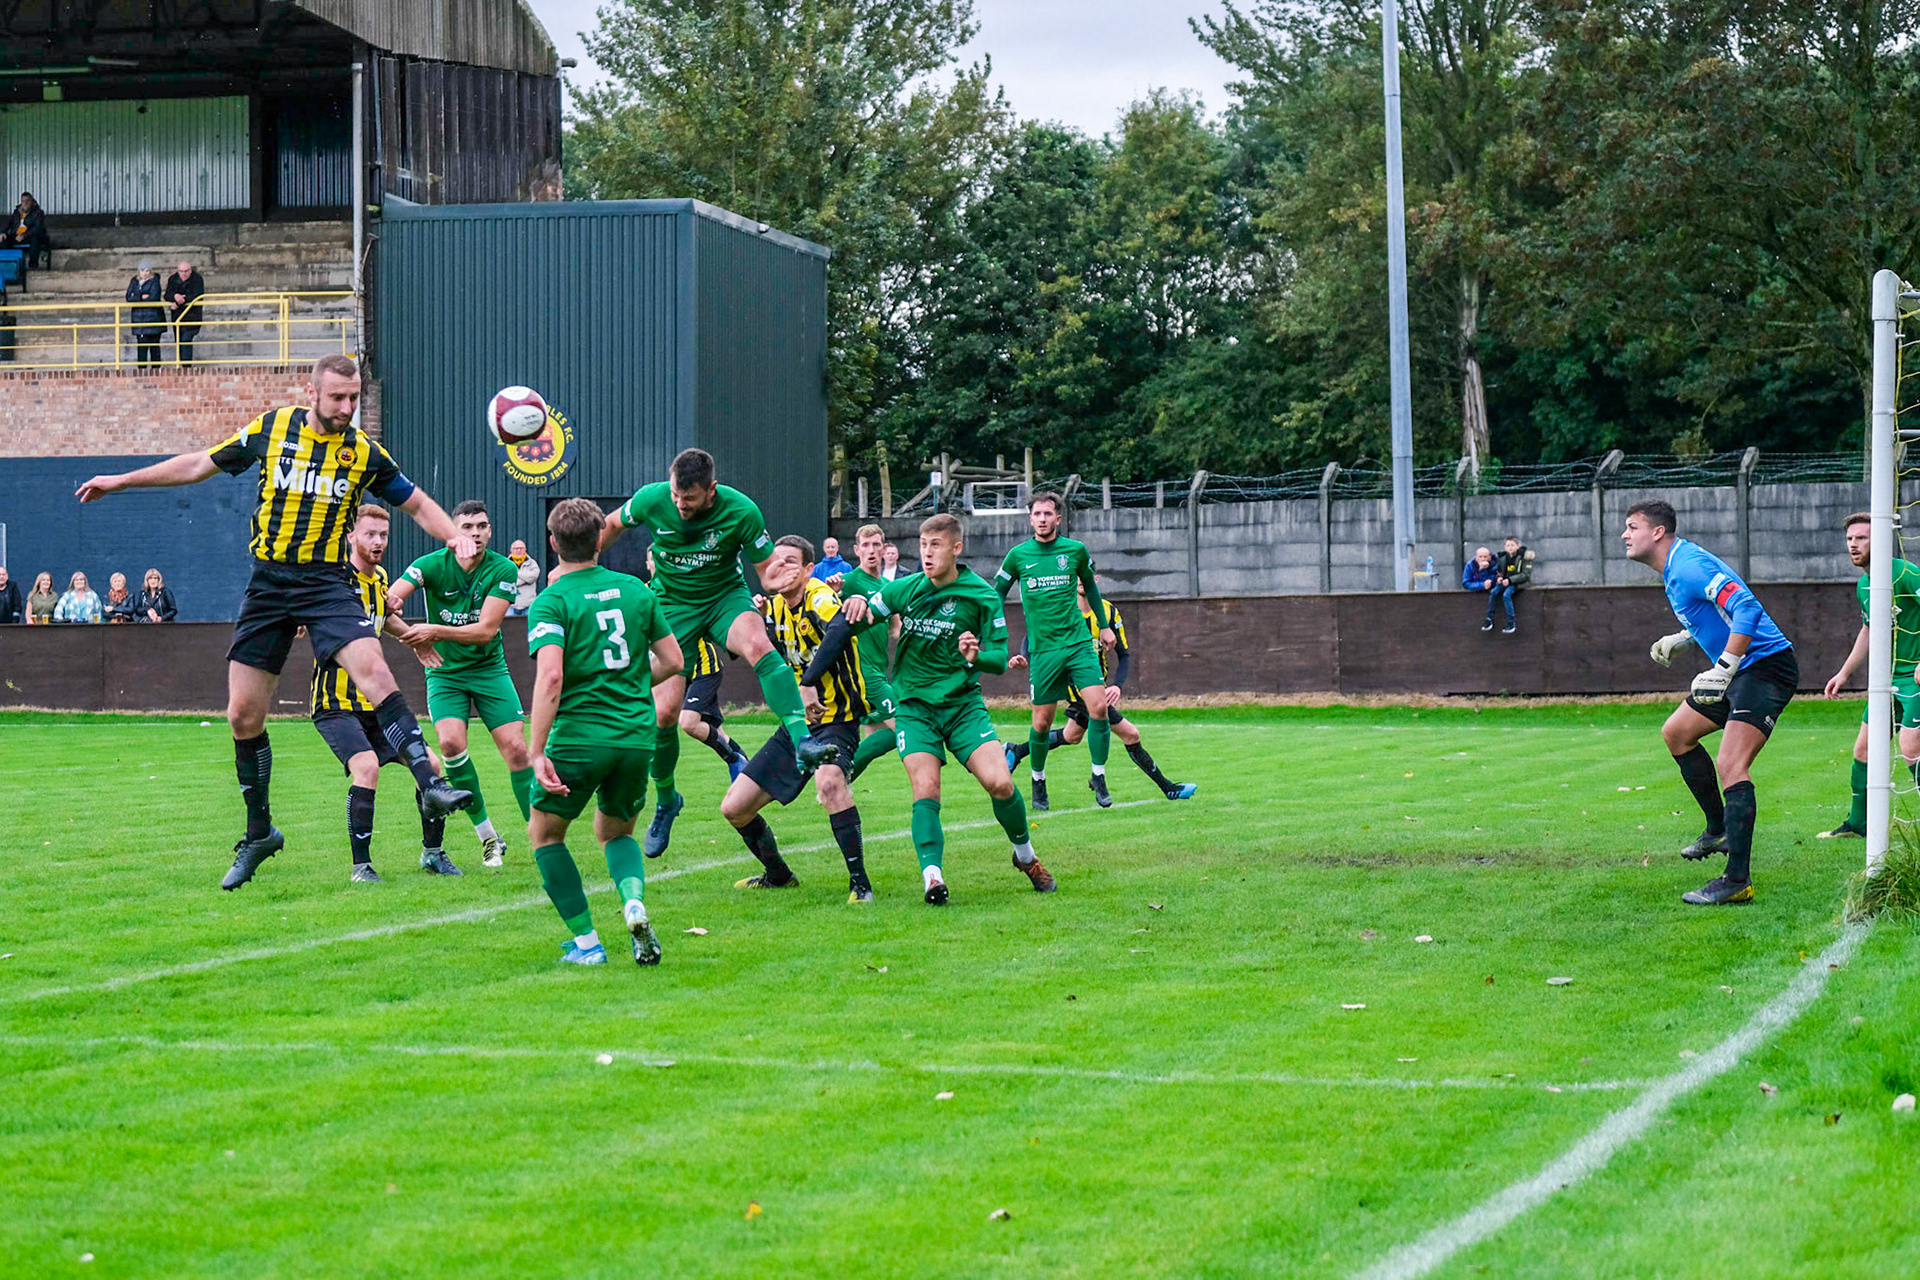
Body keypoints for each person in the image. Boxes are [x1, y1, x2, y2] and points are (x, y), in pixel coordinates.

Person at [75, 353, 474, 891]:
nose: (346, 408)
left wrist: (452, 535)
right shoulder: (273, 428)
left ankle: (429, 783)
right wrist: (121, 481)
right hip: (269, 584)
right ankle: (259, 831)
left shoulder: (363, 453)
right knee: (242, 715)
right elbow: (197, 464)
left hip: (327, 584)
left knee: (374, 670)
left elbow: (416, 502)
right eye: (337, 398)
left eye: (353, 398)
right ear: (312, 392)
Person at [597, 447, 839, 860]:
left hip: (725, 598)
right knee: (664, 715)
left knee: (759, 644)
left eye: (688, 499)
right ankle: (668, 799)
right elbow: (612, 524)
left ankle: (802, 741)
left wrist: (777, 580)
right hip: (672, 606)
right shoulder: (652, 498)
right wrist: (582, 561)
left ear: (711, 490)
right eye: (675, 496)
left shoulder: (742, 510)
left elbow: (764, 574)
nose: (679, 504)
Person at [834, 513, 1055, 904]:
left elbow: (1000, 658)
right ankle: (932, 878)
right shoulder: (905, 589)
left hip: (963, 707)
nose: (927, 553)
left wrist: (974, 657)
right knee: (926, 788)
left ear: (956, 548)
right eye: (922, 545)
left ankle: (1025, 857)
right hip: (915, 708)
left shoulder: (982, 596)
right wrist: (852, 602)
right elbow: (866, 612)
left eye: (935, 545)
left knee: (1000, 783)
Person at [526, 497, 684, 966]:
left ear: (553, 544)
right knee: (616, 834)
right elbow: (674, 661)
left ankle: (588, 944)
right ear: (599, 540)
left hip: (580, 737)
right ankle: (633, 903)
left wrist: (536, 750)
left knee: (546, 836)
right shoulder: (637, 590)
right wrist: (636, 681)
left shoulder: (551, 601)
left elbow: (550, 678)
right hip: (636, 738)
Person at [1631, 499, 1796, 906]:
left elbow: (1746, 608)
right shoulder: (1676, 566)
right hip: (1739, 671)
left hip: (1765, 669)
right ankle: (1718, 830)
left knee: (1731, 764)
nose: (1624, 534)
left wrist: (1724, 665)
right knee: (1677, 734)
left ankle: (1737, 880)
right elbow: (1718, 613)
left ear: (1657, 532)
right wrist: (1684, 638)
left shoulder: (1687, 566)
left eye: (1632, 526)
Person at [719, 536, 875, 900]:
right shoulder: (771, 606)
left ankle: (861, 885)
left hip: (836, 718)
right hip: (796, 727)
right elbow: (733, 652)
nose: (783, 569)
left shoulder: (818, 595)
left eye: (793, 562)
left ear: (809, 570)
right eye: (778, 562)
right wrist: (753, 621)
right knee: (734, 808)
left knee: (830, 784)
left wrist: (806, 683)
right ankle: (778, 875)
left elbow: (838, 629)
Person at [309, 504, 460, 881]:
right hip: (335, 703)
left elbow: (381, 617)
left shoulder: (378, 581)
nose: (378, 542)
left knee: (431, 764)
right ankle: (361, 867)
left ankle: (433, 854)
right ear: (351, 536)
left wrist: (414, 640)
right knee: (367, 766)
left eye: (383, 535)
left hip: (376, 705)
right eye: (370, 534)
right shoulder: (332, 581)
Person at [388, 499, 535, 870]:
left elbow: (486, 631)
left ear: (489, 531)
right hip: (445, 674)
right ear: (452, 532)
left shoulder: (503, 568)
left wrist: (433, 631)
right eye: (466, 527)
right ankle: (489, 837)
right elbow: (388, 600)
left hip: (489, 670)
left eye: (481, 526)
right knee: (451, 744)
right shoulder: (429, 565)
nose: (475, 534)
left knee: (518, 750)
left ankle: (541, 836)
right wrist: (410, 632)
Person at [1007, 581, 1198, 802]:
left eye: (1083, 575)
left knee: (1071, 736)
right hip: (1077, 687)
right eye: (1075, 575)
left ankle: (1016, 751)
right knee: (1131, 734)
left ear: (1093, 579)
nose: (1079, 580)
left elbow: (1124, 655)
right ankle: (1168, 788)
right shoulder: (1062, 610)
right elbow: (1031, 635)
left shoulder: (1108, 612)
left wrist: (1117, 684)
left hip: (1097, 686)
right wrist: (1025, 657)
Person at [994, 491, 1115, 810]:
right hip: (1044, 652)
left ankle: (1098, 776)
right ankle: (1038, 781)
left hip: (1077, 644)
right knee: (1041, 724)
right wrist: (992, 635)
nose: (1043, 519)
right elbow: (996, 595)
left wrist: (1104, 625)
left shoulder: (1075, 551)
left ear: (1058, 518)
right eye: (1038, 514)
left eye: (1049, 514)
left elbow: (1090, 586)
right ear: (1031, 518)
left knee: (1098, 707)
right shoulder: (1017, 556)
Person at [1819, 513, 1920, 839]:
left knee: (1910, 747)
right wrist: (1844, 673)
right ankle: (1858, 825)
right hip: (1884, 681)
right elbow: (1869, 629)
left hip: (1914, 678)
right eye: (1850, 539)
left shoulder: (1905, 574)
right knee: (1863, 750)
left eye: (1861, 538)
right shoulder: (1864, 584)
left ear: (1879, 540)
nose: (1853, 545)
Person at [833, 523, 901, 785]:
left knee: (875, 738)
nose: (871, 551)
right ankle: (839, 775)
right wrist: (834, 591)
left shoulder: (888, 586)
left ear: (884, 549)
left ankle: (837, 783)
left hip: (878, 671)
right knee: (907, 725)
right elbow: (822, 606)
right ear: (856, 550)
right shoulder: (847, 582)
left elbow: (897, 629)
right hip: (861, 672)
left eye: (876, 545)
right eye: (866, 545)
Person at [1485, 535, 1532, 634]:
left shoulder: (1523, 557)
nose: (1510, 547)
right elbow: (1499, 571)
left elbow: (1525, 575)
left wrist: (1510, 580)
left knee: (1506, 595)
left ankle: (1511, 622)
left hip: (1516, 583)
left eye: (1512, 545)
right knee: (1493, 592)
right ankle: (1489, 619)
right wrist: (1499, 577)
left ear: (1518, 546)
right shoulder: (1502, 558)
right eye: (1508, 545)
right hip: (1505, 581)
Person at [166, 260, 205, 365]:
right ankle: (181, 367)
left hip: (192, 316)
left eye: (186, 271)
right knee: (179, 342)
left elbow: (197, 295)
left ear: (190, 270)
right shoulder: (173, 279)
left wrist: (180, 302)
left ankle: (186, 369)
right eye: (181, 271)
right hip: (177, 317)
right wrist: (175, 296)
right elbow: (167, 295)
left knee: (186, 340)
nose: (184, 274)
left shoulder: (197, 279)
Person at [126, 263, 165, 368]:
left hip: (154, 319)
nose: (145, 273)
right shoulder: (134, 282)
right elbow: (129, 297)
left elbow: (154, 297)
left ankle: (156, 371)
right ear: (139, 271)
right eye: (142, 270)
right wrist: (141, 297)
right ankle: (142, 372)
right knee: (142, 347)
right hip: (139, 320)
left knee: (154, 347)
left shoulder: (155, 281)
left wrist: (137, 297)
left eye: (147, 271)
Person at [8, 192, 49, 269]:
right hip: (16, 236)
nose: (25, 203)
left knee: (35, 240)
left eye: (27, 201)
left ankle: (32, 265)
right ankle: (8, 264)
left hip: (29, 236)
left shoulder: (38, 213)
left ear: (32, 201)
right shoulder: (16, 212)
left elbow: (37, 228)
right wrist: (2, 233)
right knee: (4, 240)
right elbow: (8, 224)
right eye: (23, 201)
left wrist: (24, 235)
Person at [507, 539, 540, 616]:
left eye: (521, 548)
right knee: (508, 627)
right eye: (516, 548)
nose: (519, 550)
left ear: (525, 549)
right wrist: (526, 579)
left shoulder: (532, 563)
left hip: (528, 605)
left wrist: (516, 573)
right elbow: (505, 579)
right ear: (511, 550)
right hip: (510, 605)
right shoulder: (506, 563)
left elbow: (533, 577)